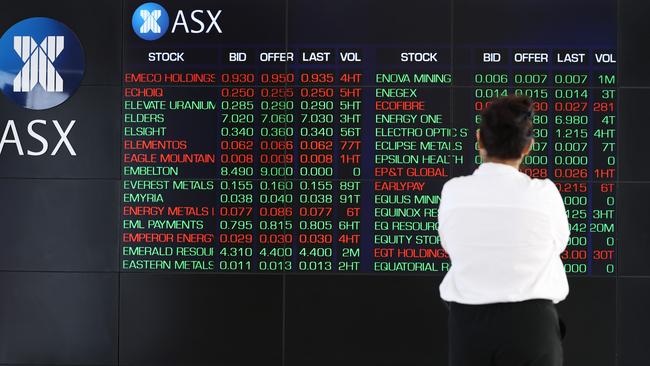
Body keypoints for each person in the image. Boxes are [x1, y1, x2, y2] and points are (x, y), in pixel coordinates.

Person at [438, 94, 569, 366]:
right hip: (532, 329)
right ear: (528, 147)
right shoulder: (544, 193)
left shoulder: (454, 191)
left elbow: (449, 246)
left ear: (479, 139)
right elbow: (558, 244)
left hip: (469, 328)